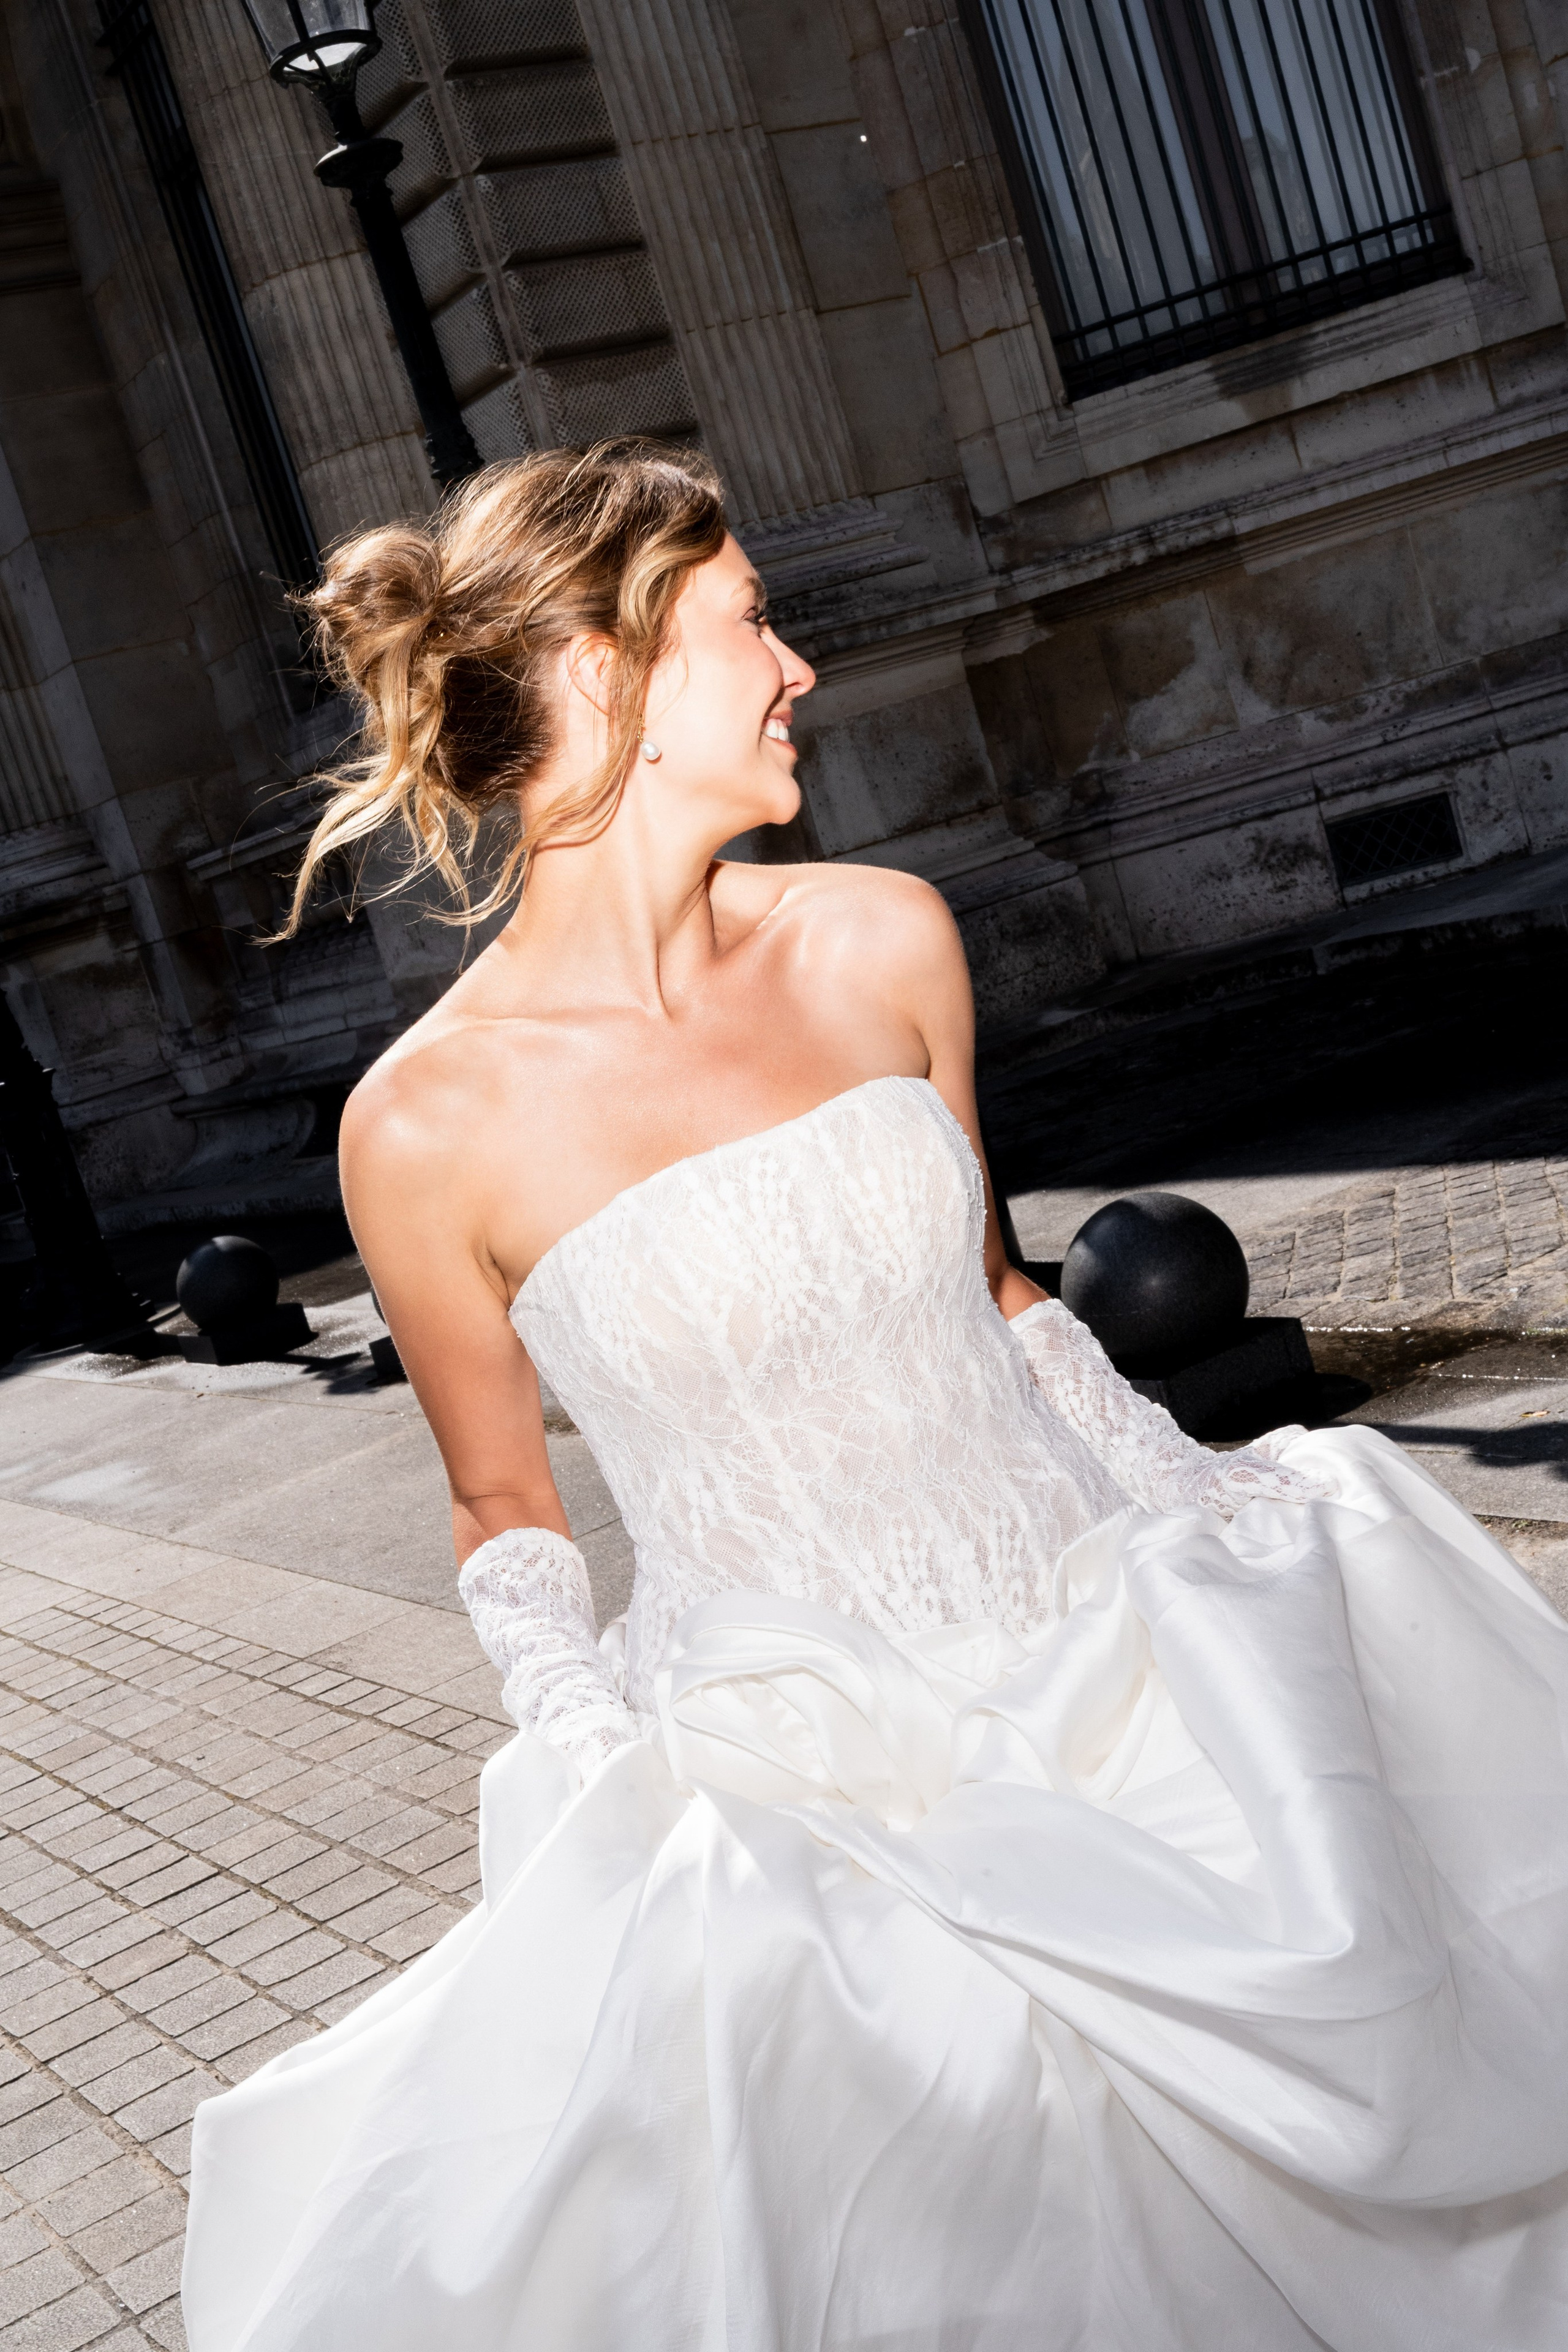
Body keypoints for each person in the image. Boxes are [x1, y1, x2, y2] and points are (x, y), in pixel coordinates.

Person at [181, 442, 1568, 2351]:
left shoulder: (886, 938)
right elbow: (504, 1504)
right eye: (750, 619)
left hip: (1125, 1684)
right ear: (607, 671)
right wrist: (597, 1762)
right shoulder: (422, 1129)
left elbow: (1003, 1302)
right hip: (802, 1809)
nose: (797, 666)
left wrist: (1190, 1501)